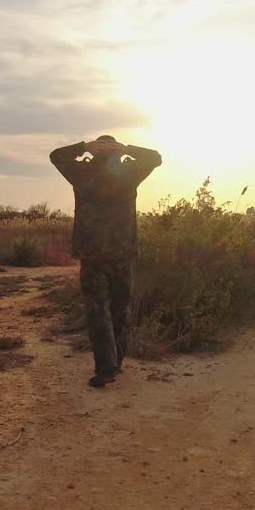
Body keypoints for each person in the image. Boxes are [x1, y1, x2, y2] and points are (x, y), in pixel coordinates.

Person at [49, 135, 162, 388]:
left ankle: (106, 368)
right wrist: (127, 148)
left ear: (96, 154)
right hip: (122, 253)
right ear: (117, 155)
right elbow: (155, 158)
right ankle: (115, 363)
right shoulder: (129, 173)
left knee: (98, 311)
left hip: (92, 255)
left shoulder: (82, 173)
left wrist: (84, 147)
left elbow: (56, 156)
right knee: (120, 309)